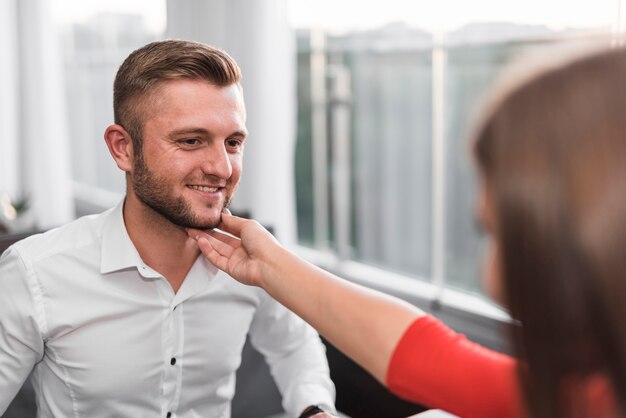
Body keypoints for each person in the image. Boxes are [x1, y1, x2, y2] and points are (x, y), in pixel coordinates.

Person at [189, 44, 626, 418]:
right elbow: (428, 356)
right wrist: (270, 263)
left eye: (498, 236)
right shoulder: (580, 395)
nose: (490, 277)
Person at [0, 40, 337, 418]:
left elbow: (294, 344)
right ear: (123, 148)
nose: (223, 168)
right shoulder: (35, 273)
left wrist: (313, 408)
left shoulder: (252, 261)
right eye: (191, 141)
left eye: (233, 142)